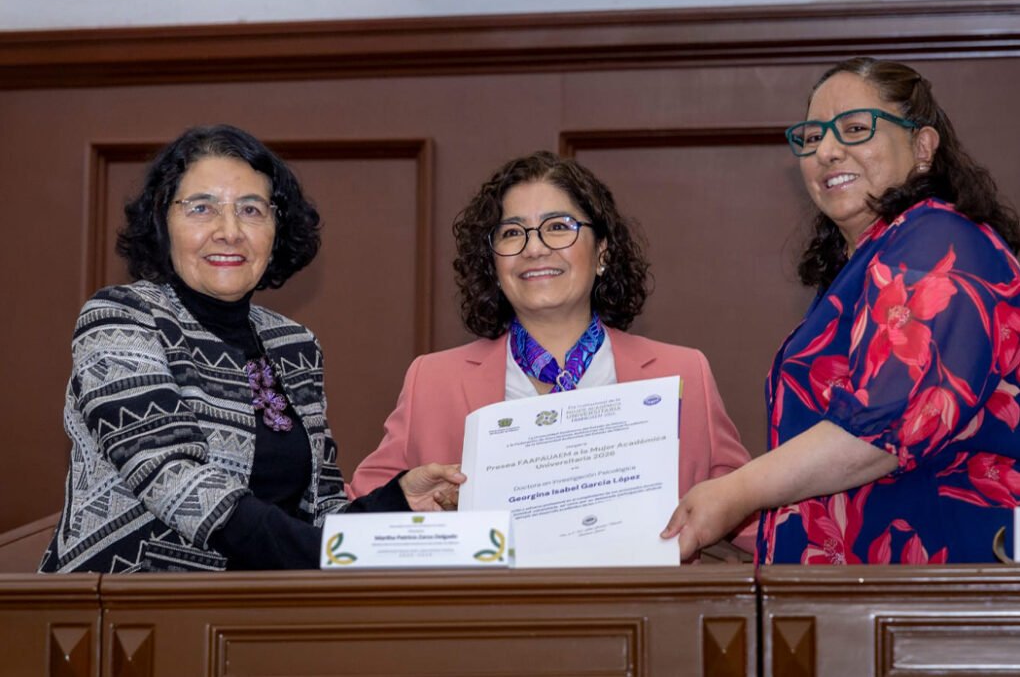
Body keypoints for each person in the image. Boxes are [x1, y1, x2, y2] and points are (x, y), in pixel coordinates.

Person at [40, 124, 464, 573]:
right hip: (129, 614)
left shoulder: (294, 345)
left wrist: (397, 501)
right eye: (202, 208)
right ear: (163, 221)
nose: (229, 231)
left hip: (258, 618)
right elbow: (173, 481)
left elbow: (320, 514)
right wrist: (328, 556)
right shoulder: (120, 316)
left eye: (251, 209)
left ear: (276, 228)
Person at [664, 57, 1020, 564]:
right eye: (811, 138)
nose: (827, 151)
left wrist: (735, 494)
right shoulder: (879, 258)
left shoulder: (937, 243)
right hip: (871, 592)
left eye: (855, 129)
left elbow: (881, 429)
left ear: (922, 146)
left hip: (941, 584)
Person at [350, 151, 755, 555]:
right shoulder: (431, 381)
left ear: (602, 252)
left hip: (642, 612)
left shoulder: (685, 373)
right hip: (487, 615)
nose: (535, 248)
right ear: (493, 263)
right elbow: (352, 520)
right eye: (512, 233)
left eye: (558, 227)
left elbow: (751, 516)